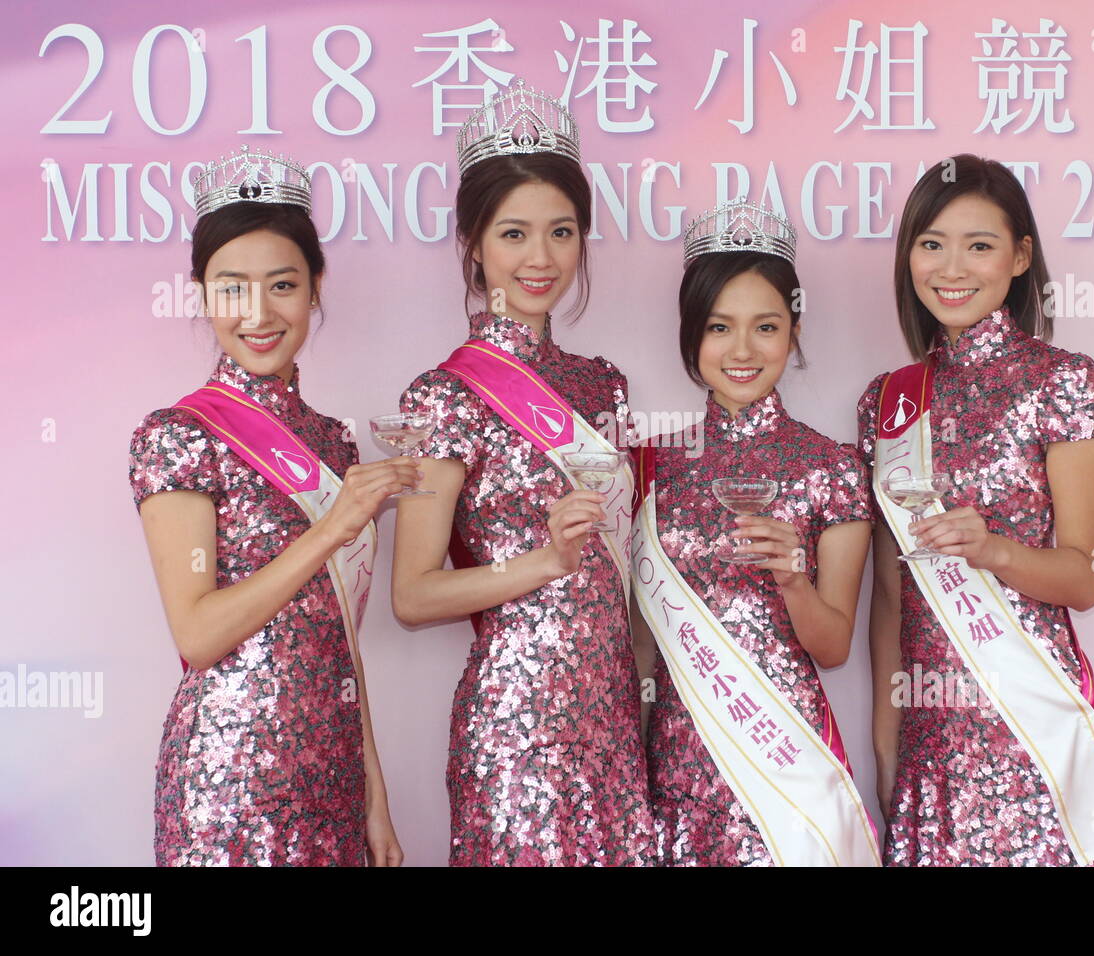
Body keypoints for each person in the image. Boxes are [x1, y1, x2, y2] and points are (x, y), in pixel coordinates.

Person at [391, 80, 654, 866]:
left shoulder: (605, 386)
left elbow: (626, 576)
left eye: (561, 232)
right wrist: (544, 562)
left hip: (611, 716)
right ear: (473, 243)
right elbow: (412, 594)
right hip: (515, 722)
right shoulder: (444, 396)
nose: (540, 259)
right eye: (513, 234)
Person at [128, 146, 412, 866]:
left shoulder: (333, 445)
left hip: (334, 775)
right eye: (231, 288)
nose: (258, 314)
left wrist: (375, 794)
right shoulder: (180, 434)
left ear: (315, 289)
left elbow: (340, 636)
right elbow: (198, 634)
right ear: (202, 294)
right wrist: (335, 527)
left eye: (282, 285)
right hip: (229, 780)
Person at [859, 153, 1094, 866]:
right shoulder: (888, 402)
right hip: (931, 742)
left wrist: (994, 551)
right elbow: (893, 593)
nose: (951, 268)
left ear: (1019, 257)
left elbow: (1086, 577)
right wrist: (889, 740)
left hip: (1033, 725)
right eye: (931, 245)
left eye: (978, 246)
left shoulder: (1065, 383)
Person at [634, 198, 879, 866]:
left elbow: (832, 646)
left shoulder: (831, 467)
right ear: (692, 336)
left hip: (787, 762)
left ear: (793, 331)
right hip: (680, 767)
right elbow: (636, 649)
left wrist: (794, 581)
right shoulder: (650, 465)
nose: (742, 350)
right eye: (719, 328)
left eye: (765, 327)